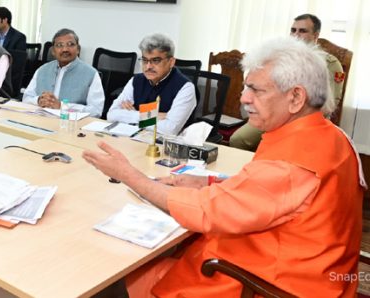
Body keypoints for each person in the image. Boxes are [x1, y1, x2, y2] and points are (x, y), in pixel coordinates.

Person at [83, 36, 365, 297]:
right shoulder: (330, 136)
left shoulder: (291, 164)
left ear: (295, 98)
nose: (243, 99)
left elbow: (208, 212)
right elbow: (273, 196)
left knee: (117, 274)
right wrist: (209, 183)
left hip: (263, 281)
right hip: (318, 271)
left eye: (255, 90)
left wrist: (128, 175)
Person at [230, 13, 346, 152]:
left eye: (303, 31)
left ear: (315, 35)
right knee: (238, 140)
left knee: (283, 149)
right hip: (272, 112)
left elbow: (327, 105)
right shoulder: (279, 58)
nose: (296, 35)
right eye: (293, 30)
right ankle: (254, 171)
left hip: (302, 122)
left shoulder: (328, 63)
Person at [106, 33, 196, 136]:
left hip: (165, 146)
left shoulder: (185, 88)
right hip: (133, 139)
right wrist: (152, 115)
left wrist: (131, 114)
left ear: (171, 62)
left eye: (155, 61)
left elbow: (169, 129)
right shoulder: (136, 80)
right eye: (144, 60)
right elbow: (112, 115)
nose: (148, 66)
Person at [22, 28, 104, 117]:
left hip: (71, 125)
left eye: (70, 44)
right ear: (53, 51)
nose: (65, 49)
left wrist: (62, 106)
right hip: (41, 121)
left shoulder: (91, 74)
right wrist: (39, 100)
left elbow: (96, 111)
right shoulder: (42, 70)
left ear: (78, 49)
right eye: (59, 45)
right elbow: (26, 98)